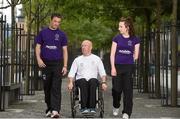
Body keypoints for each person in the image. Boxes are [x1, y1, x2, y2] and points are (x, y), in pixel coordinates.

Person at [35, 13, 68, 118]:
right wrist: (39, 59)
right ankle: (49, 108)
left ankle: (55, 110)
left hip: (57, 63)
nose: (56, 23)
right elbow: (38, 47)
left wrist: (65, 65)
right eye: (55, 21)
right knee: (47, 87)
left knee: (56, 87)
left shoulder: (62, 34)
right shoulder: (43, 33)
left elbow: (65, 51)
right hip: (45, 64)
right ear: (51, 20)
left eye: (58, 22)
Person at [110, 17, 140, 119]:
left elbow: (136, 54)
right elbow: (112, 54)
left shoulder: (135, 39)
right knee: (116, 90)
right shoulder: (116, 38)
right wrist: (113, 67)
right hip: (117, 67)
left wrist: (132, 59)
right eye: (119, 26)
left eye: (121, 26)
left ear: (127, 27)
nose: (119, 28)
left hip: (128, 67)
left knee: (128, 91)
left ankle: (126, 112)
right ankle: (116, 105)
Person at [68, 40, 107, 113]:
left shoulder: (96, 59)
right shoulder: (77, 60)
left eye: (85, 45)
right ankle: (83, 108)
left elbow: (102, 72)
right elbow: (71, 73)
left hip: (93, 81)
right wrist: (70, 82)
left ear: (90, 47)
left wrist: (104, 82)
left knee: (93, 81)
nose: (83, 47)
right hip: (80, 81)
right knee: (83, 81)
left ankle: (92, 108)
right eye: (82, 46)